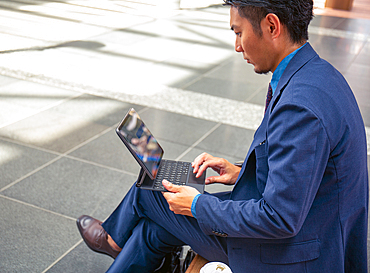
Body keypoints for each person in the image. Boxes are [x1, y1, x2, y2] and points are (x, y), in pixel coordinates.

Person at [76, 0, 369, 272]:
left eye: (239, 32)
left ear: (271, 26)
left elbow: (280, 219)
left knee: (151, 192)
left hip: (293, 254)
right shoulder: (318, 75)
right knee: (155, 227)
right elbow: (307, 170)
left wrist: (196, 205)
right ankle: (124, 247)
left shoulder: (299, 107)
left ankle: (115, 240)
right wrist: (238, 171)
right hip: (316, 229)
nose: (238, 46)